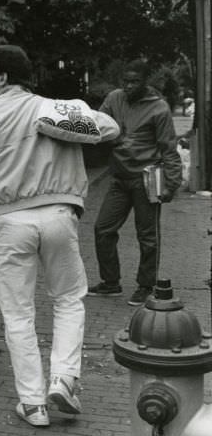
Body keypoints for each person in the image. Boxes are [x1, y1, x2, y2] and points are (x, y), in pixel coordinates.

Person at [0, 45, 119, 427]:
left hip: (9, 222)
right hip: (59, 216)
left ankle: (33, 403)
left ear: (3, 77)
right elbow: (109, 128)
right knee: (69, 299)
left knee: (18, 312)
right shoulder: (52, 109)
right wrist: (66, 123)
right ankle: (65, 380)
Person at [90, 60, 182, 306]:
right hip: (119, 179)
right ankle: (111, 283)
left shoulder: (158, 108)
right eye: (125, 82)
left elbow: (168, 148)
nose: (129, 86)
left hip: (146, 179)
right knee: (103, 229)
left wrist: (171, 183)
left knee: (147, 236)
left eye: (135, 82)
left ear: (145, 81)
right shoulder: (114, 99)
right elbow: (97, 126)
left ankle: (145, 285)